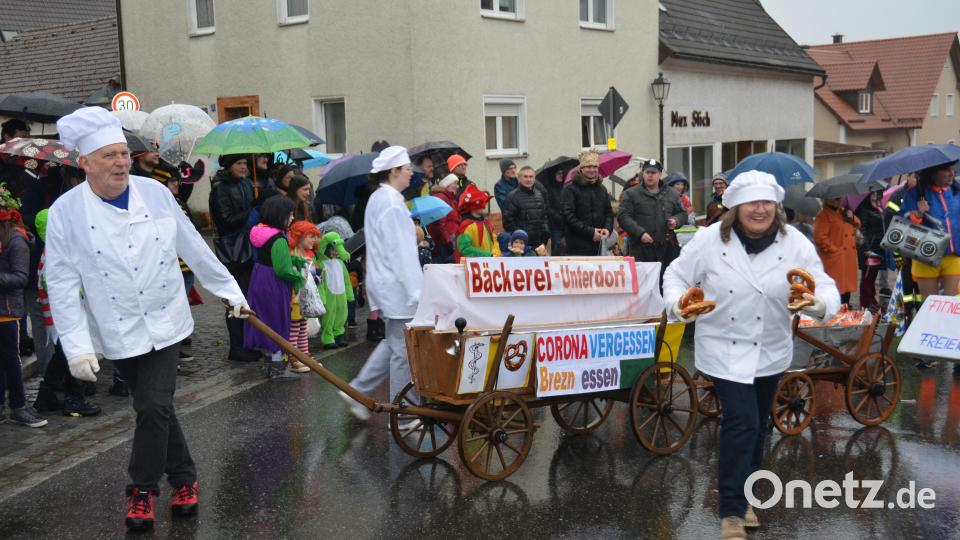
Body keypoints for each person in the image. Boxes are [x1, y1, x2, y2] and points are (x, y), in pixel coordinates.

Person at [46, 106, 249, 531]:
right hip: (118, 326)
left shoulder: (155, 194)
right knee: (155, 408)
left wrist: (231, 292)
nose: (121, 162)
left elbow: (192, 245)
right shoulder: (66, 212)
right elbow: (62, 282)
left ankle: (140, 491)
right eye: (109, 155)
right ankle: (185, 479)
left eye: (123, 153)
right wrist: (77, 346)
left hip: (165, 319)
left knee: (153, 406)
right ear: (85, 163)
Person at [662, 170, 840, 539]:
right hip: (723, 346)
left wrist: (818, 302)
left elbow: (823, 283)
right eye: (751, 204)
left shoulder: (795, 243)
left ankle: (744, 497)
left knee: (760, 426)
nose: (759, 210)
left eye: (766, 204)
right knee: (740, 422)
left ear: (776, 207)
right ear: (736, 207)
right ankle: (730, 512)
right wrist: (678, 304)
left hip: (770, 347)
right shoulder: (710, 239)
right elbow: (676, 275)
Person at [338, 146, 422, 422]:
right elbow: (401, 253)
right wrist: (416, 291)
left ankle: (357, 391)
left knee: (393, 344)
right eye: (407, 167)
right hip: (398, 287)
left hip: (388, 283)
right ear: (393, 171)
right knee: (402, 353)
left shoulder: (380, 198)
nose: (411, 172)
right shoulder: (391, 202)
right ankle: (404, 415)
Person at [32, 209, 102, 418]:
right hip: (70, 315)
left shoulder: (50, 253)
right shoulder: (59, 255)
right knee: (76, 352)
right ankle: (73, 400)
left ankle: (46, 395)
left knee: (62, 356)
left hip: (60, 316)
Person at [900, 161, 960, 370]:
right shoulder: (915, 194)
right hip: (926, 257)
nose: (951, 174)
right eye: (946, 170)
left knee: (952, 305)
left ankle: (954, 351)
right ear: (933, 173)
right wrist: (918, 212)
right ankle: (927, 351)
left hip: (954, 255)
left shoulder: (956, 191)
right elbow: (904, 225)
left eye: (953, 170)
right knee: (930, 306)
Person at [244, 195, 305, 380]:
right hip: (273, 284)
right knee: (277, 322)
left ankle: (268, 364)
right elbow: (282, 269)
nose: (293, 218)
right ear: (281, 215)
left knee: (264, 321)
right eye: (290, 214)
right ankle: (278, 368)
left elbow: (272, 256)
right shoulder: (279, 238)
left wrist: (293, 258)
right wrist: (299, 277)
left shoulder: (262, 232)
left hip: (259, 278)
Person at [0, 186, 46, 428]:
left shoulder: (16, 240)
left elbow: (20, 278)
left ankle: (19, 406)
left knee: (11, 361)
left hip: (7, 311)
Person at [209, 154, 259, 362]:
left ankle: (247, 342)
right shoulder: (220, 188)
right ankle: (237, 347)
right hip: (233, 250)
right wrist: (252, 210)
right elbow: (227, 221)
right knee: (236, 297)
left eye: (245, 163)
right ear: (229, 166)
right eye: (239, 163)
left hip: (248, 247)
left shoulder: (246, 183)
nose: (244, 167)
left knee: (248, 296)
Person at [618, 159, 687, 285]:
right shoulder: (631, 194)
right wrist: (640, 233)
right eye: (647, 172)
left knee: (666, 285)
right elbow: (623, 217)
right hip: (641, 249)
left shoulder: (671, 193)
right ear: (643, 174)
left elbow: (682, 214)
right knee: (644, 286)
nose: (650, 175)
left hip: (667, 249)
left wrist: (676, 221)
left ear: (660, 174)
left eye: (654, 173)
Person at [561, 151, 613, 256]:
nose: (592, 170)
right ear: (581, 168)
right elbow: (568, 216)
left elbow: (608, 212)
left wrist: (607, 229)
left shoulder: (602, 189)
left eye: (595, 166)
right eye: (588, 167)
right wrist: (591, 232)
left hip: (599, 246)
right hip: (577, 247)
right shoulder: (570, 189)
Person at [813, 197, 861, 306]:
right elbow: (820, 237)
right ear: (827, 199)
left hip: (847, 257)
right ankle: (838, 311)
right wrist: (834, 250)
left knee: (846, 288)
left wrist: (851, 217)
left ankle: (845, 307)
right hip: (835, 259)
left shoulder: (842, 212)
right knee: (837, 288)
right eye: (835, 198)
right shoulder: (823, 215)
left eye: (839, 198)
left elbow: (858, 223)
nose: (838, 200)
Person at [286, 220, 318, 372]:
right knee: (295, 328)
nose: (314, 240)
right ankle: (293, 357)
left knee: (302, 326)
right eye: (310, 236)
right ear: (299, 237)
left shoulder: (308, 254)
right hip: (294, 298)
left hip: (303, 298)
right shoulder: (292, 255)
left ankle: (304, 355)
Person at [502, 165, 549, 252]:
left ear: (534, 178)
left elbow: (544, 215)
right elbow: (508, 223)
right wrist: (521, 237)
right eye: (525, 177)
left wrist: (546, 232)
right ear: (519, 179)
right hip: (523, 245)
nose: (528, 179)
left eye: (531, 177)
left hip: (540, 243)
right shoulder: (512, 197)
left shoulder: (539, 194)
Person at [855, 189, 886, 311]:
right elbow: (863, 230)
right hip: (870, 248)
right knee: (867, 277)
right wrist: (867, 250)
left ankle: (871, 300)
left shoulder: (877, 208)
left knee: (873, 276)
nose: (874, 196)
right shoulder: (864, 210)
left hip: (879, 247)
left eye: (875, 194)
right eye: (872, 194)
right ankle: (865, 303)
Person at [454, 184, 501, 262]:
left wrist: (495, 254)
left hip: (489, 265)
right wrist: (487, 255)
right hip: (472, 267)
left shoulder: (487, 223)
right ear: (473, 206)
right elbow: (464, 249)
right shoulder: (466, 226)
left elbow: (494, 241)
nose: (485, 205)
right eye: (481, 202)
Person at [426, 173, 460, 263]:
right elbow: (439, 223)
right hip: (445, 243)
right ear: (447, 185)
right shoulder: (441, 197)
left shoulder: (450, 198)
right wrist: (447, 242)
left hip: (450, 239)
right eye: (455, 183)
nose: (457, 186)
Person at [544, 166, 567, 255]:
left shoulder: (565, 187)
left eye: (562, 173)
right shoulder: (548, 189)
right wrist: (557, 216)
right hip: (555, 225)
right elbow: (547, 207)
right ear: (553, 175)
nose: (561, 175)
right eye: (558, 174)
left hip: (566, 223)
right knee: (556, 248)